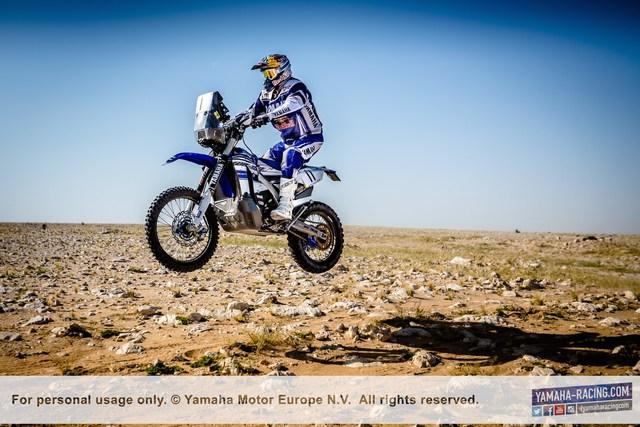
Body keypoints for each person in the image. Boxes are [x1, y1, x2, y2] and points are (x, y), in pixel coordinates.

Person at [245, 54, 323, 221]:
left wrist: (267, 116)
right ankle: (267, 203)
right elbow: (251, 111)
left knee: (291, 155)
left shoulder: (296, 87)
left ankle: (286, 205)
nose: (268, 78)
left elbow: (292, 105)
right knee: (261, 164)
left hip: (310, 137)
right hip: (287, 141)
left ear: (283, 71)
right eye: (265, 74)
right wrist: (231, 122)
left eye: (271, 73)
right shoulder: (266, 93)